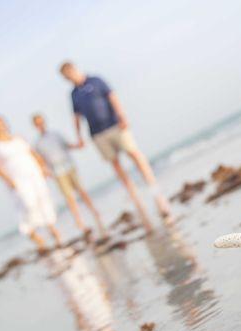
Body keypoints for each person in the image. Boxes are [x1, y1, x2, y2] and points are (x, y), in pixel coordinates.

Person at [59, 61, 171, 231]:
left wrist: (122, 115)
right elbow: (76, 117)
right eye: (66, 78)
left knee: (134, 154)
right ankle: (133, 194)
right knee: (115, 163)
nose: (70, 79)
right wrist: (79, 137)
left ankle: (153, 187)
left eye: (70, 74)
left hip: (114, 125)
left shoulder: (95, 80)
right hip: (97, 133)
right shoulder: (74, 94)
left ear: (74, 69)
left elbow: (112, 96)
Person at [0, 115, 61, 251]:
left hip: (33, 173)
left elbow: (32, 153)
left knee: (43, 199)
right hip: (17, 179)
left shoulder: (17, 138)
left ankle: (53, 230)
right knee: (28, 205)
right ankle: (31, 233)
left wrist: (43, 167)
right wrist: (7, 179)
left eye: (1, 123)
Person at [32, 113, 104, 234]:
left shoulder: (55, 134)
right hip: (57, 171)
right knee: (69, 197)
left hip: (69, 166)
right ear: (35, 126)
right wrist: (44, 171)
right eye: (37, 123)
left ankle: (94, 211)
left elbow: (67, 145)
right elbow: (40, 160)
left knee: (81, 190)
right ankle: (78, 220)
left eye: (41, 122)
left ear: (44, 122)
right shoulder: (37, 143)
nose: (40, 125)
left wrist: (77, 145)